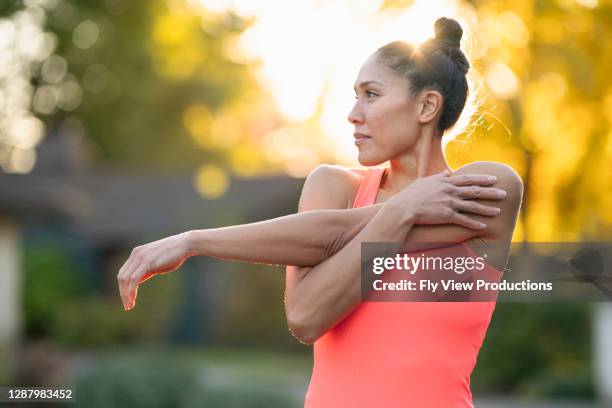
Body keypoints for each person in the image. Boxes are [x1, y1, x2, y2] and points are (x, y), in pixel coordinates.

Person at [117, 17, 523, 407]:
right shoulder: (334, 187)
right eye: (355, 95)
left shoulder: (490, 190)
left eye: (371, 94)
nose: (353, 113)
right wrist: (401, 212)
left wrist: (395, 213)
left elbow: (329, 233)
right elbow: (307, 318)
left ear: (426, 106)